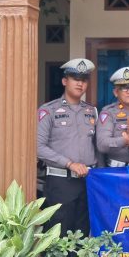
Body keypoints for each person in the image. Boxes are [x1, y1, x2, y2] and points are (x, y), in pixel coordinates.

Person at [37, 58, 98, 236]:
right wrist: (69, 164)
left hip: (87, 181)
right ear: (65, 81)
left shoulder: (91, 111)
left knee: (83, 233)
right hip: (60, 182)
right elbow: (38, 147)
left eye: (84, 79)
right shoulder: (48, 110)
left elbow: (97, 147)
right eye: (75, 79)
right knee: (59, 233)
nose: (80, 83)